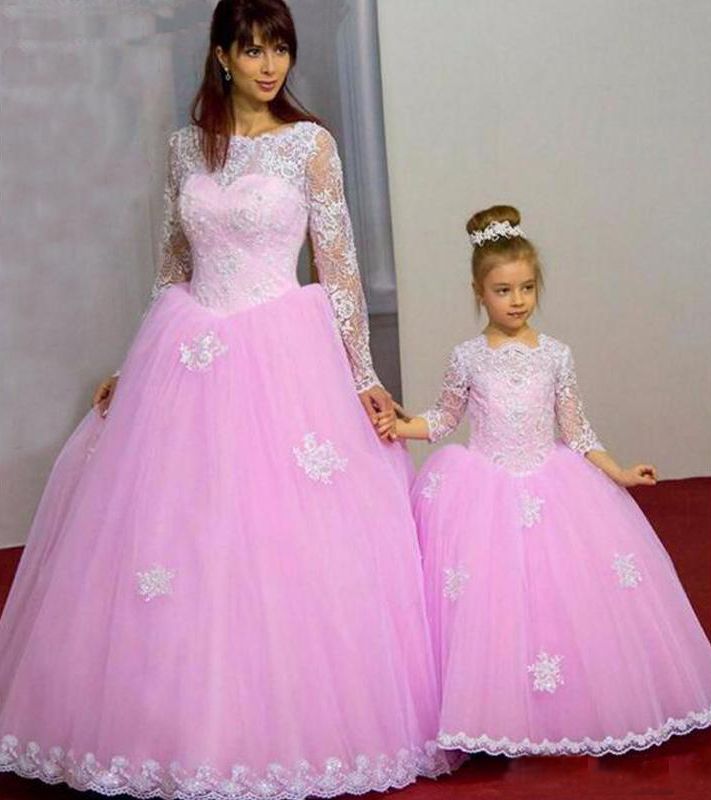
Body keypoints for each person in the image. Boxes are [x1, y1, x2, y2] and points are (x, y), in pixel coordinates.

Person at [0, 2, 456, 796]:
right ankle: (178, 723)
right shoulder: (187, 149)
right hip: (188, 350)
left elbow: (338, 266)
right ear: (220, 57)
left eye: (279, 46)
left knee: (281, 534)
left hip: (284, 350)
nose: (269, 63)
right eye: (252, 49)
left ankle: (292, 720)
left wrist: (364, 376)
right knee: (183, 540)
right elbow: (173, 265)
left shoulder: (309, 144)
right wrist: (133, 360)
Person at [385, 204, 711, 756]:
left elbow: (578, 429)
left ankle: (564, 708)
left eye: (527, 288)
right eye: (503, 290)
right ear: (477, 291)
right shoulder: (467, 357)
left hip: (552, 484)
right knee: (489, 601)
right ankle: (490, 716)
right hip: (482, 488)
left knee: (560, 600)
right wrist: (401, 426)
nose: (517, 301)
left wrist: (620, 473)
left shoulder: (556, 355)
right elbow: (442, 419)